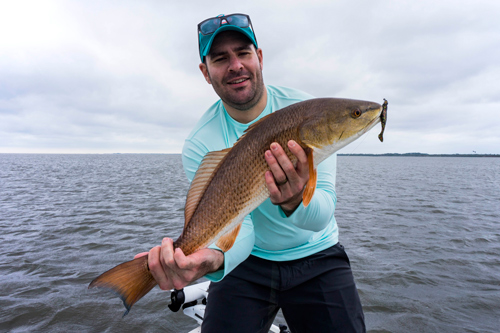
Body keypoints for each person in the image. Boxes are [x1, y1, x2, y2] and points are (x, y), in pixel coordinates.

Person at [138, 13, 365, 332]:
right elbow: (239, 228)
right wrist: (210, 260)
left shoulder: (308, 111)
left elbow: (320, 216)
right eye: (220, 58)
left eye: (243, 53)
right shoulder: (199, 142)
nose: (235, 65)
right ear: (205, 72)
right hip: (247, 262)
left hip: (317, 254)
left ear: (259, 57)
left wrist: (294, 200)